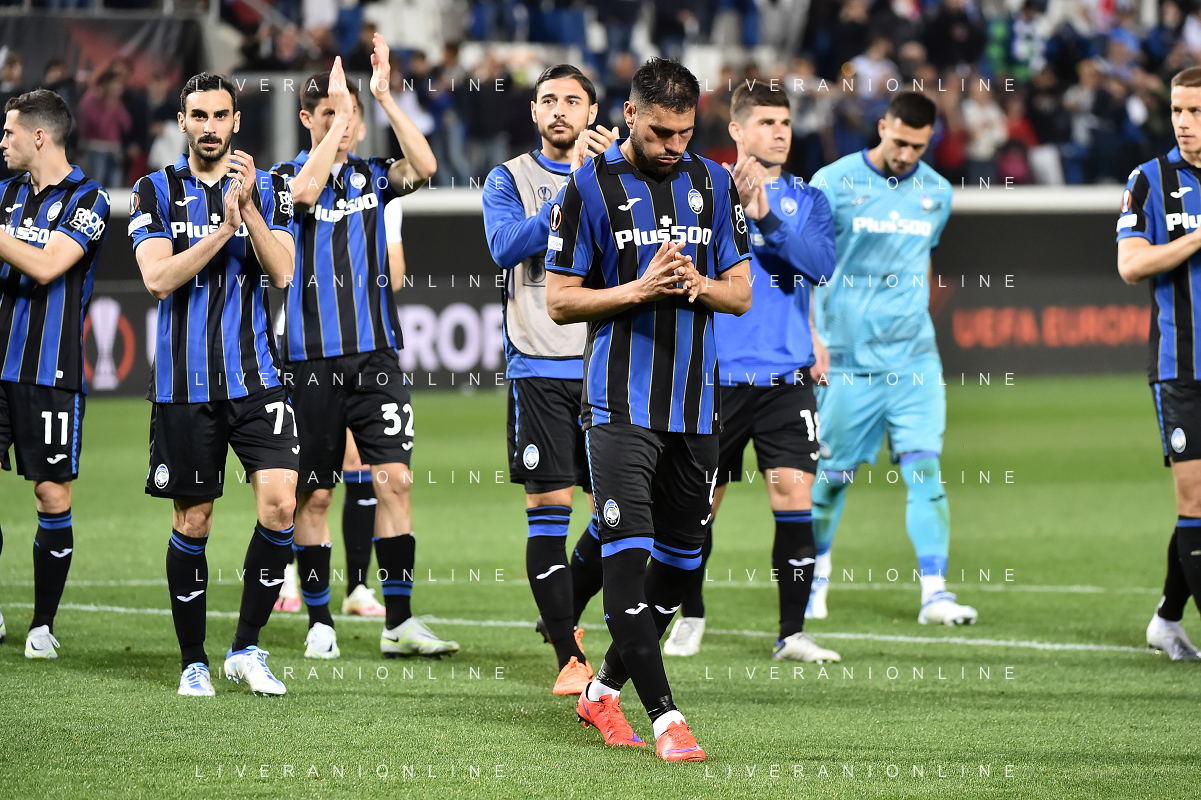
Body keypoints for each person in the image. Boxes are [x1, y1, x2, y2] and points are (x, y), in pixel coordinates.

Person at [546, 57, 752, 762]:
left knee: (681, 562)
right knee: (627, 565)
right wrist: (638, 289)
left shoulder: (714, 183)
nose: (673, 146)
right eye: (661, 132)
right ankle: (667, 719)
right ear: (630, 114)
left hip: (695, 409)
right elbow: (560, 300)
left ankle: (602, 689)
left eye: (685, 133)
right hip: (618, 407)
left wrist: (696, 282)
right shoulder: (589, 187)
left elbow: (739, 293)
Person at [271, 39, 447, 661]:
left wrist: (382, 98)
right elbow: (305, 194)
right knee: (315, 494)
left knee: (394, 481)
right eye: (329, 115)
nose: (343, 126)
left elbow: (425, 166)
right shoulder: (282, 179)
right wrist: (337, 125)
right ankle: (320, 619)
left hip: (377, 357)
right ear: (307, 119)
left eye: (349, 119)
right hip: (310, 361)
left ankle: (398, 621)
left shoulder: (374, 177)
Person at [129, 72, 298, 697]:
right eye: (198, 116)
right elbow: (157, 279)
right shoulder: (153, 190)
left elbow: (283, 272)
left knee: (281, 505)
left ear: (236, 121)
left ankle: (246, 648)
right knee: (194, 519)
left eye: (220, 115)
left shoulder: (269, 187)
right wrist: (223, 230)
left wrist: (246, 209)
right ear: (182, 122)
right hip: (185, 384)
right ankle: (193, 660)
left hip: (257, 379)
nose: (209, 127)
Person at [664, 82, 840, 663]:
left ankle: (793, 632)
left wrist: (766, 220)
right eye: (766, 122)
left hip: (786, 380)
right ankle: (690, 615)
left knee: (793, 495)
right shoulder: (701, 191)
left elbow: (820, 267)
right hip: (715, 378)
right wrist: (740, 212)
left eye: (785, 122)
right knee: (699, 505)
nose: (780, 132)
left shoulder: (808, 199)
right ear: (737, 130)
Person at [808, 92, 976, 627]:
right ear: (882, 126)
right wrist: (812, 336)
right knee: (831, 480)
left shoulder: (938, 193)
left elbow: (921, 261)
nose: (906, 154)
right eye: (899, 141)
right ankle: (814, 580)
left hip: (914, 361)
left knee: (925, 469)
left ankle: (935, 594)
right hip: (847, 361)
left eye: (917, 147)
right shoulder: (832, 182)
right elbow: (805, 265)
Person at [482, 63, 618, 696]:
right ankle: (569, 655)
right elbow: (506, 246)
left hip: (607, 367)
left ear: (592, 113)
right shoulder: (507, 178)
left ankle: (561, 606)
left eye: (572, 100)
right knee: (548, 511)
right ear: (534, 112)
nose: (560, 109)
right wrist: (575, 193)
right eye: (549, 100)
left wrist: (603, 177)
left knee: (618, 515)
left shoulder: (618, 175)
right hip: (538, 367)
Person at [0, 89, 110, 657]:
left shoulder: (91, 199)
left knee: (50, 494)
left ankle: (41, 625)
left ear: (39, 136)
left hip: (50, 370)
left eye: (9, 132)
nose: (2, 142)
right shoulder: (5, 194)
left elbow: (47, 266)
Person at [1117, 65, 1201, 661]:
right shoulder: (1149, 180)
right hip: (1181, 368)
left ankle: (1167, 619)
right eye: (1177, 111)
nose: (1184, 122)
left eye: (1196, 112)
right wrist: (1196, 237)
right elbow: (1131, 265)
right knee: (1194, 501)